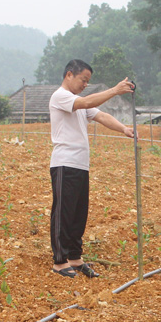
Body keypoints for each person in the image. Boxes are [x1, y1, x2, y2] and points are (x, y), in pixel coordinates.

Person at [48, 59, 135, 278]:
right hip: (64, 163)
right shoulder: (61, 97)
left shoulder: (78, 101)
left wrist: (124, 129)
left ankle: (75, 258)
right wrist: (115, 90)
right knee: (63, 213)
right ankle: (60, 261)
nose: (85, 84)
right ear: (69, 75)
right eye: (83, 80)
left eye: (88, 81)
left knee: (79, 213)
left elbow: (101, 116)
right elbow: (86, 103)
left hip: (80, 165)